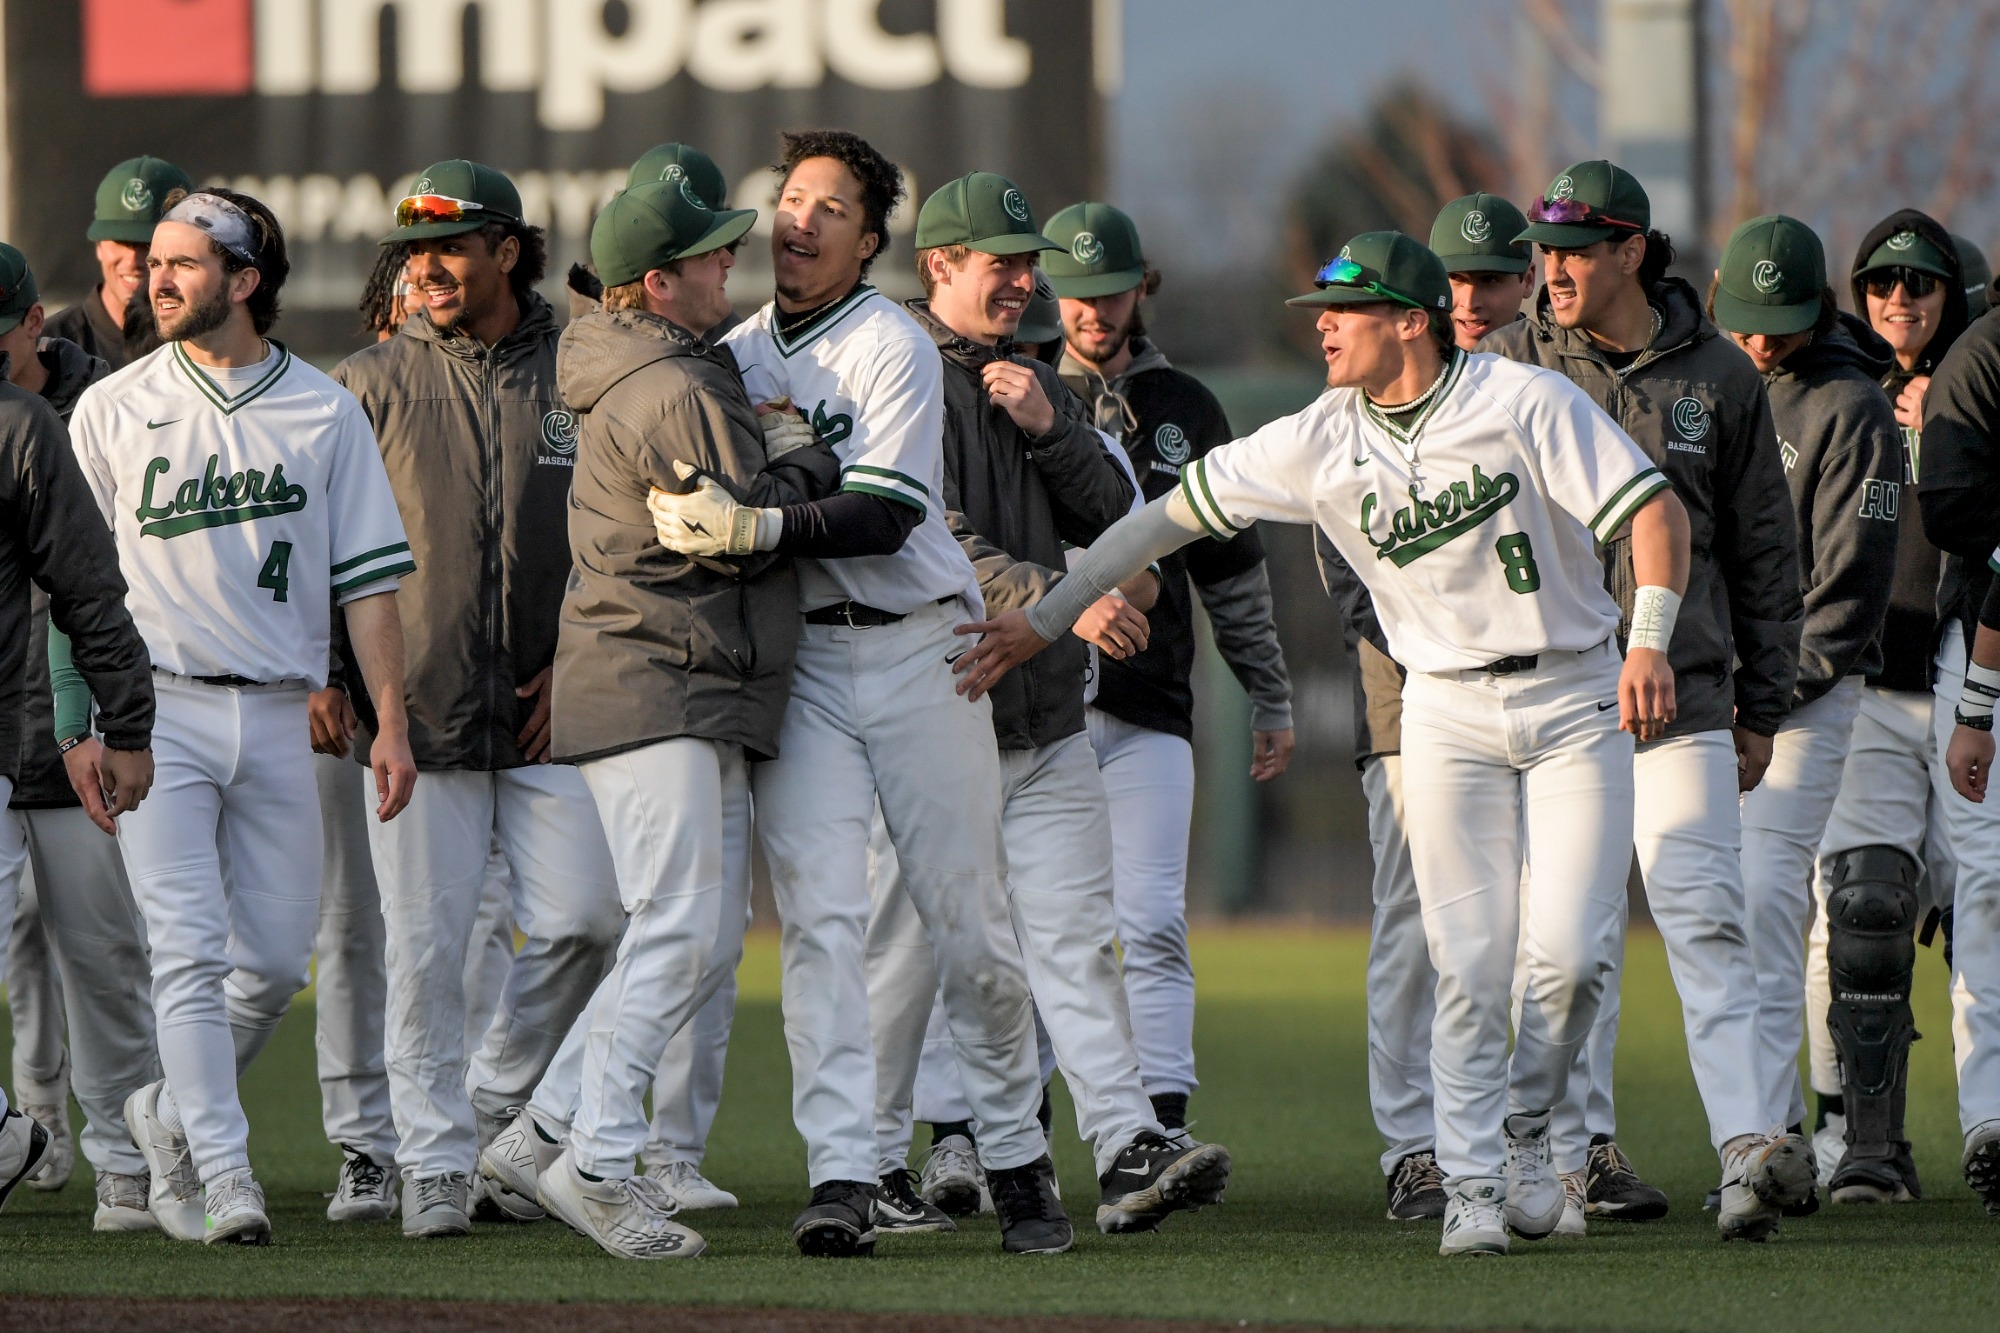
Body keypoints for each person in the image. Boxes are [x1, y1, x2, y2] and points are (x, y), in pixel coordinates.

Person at [955, 229, 1692, 1257]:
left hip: (1572, 692)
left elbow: (1653, 514)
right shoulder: (1315, 434)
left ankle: (1528, 1125)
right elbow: (1157, 523)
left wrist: (1646, 639)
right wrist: (1044, 615)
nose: (1322, 330)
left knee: (1568, 961)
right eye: (1318, 314)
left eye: (1342, 313)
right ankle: (1473, 1180)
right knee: (1470, 965)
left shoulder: (1523, 401)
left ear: (1408, 318)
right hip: (1440, 711)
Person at [646, 129, 1066, 1257]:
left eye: (832, 205)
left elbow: (880, 514)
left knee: (966, 919)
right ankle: (842, 1169)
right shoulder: (730, 356)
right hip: (809, 670)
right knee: (822, 926)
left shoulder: (889, 343)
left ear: (870, 240)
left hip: (922, 650)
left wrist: (764, 515)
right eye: (791, 197)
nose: (802, 216)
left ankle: (1018, 1156)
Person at [859, 174, 1231, 1240]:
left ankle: (1121, 1144)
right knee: (909, 951)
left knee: (1075, 942)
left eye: (1028, 263)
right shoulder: (895, 369)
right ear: (938, 265)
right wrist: (1055, 604)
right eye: (1001, 262)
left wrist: (1050, 424)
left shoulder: (1031, 380)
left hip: (1044, 719)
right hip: (933, 710)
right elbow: (933, 537)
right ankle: (870, 1161)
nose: (1024, 280)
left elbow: (1126, 516)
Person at [476, 179, 840, 1259]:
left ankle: (542, 1130)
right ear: (653, 282)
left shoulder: (664, 366)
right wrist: (808, 452)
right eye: (709, 255)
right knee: (680, 925)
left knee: (694, 930)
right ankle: (595, 1160)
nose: (730, 265)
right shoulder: (669, 380)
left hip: (677, 673)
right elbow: (744, 525)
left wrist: (777, 449)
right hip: (656, 669)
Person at [65, 187, 417, 1245]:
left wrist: (389, 719)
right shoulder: (112, 407)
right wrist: (83, 721)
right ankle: (223, 1172)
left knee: (269, 963)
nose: (155, 278)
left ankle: (167, 1112)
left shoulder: (321, 406)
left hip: (275, 718)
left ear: (246, 280)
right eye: (152, 261)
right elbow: (67, 586)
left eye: (183, 262)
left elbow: (369, 584)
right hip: (154, 711)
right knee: (185, 951)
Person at [1488, 161, 1810, 1237]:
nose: (1550, 269)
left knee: (1705, 919)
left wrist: (1760, 708)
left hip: (1687, 695)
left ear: (1631, 251)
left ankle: (1746, 1150)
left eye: (1574, 249)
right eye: (1542, 249)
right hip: (1555, 702)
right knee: (1562, 949)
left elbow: (1765, 554)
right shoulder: (1506, 363)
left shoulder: (1717, 371)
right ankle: (1568, 1154)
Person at [330, 160, 625, 1238]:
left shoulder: (582, 364)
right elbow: (327, 553)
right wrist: (339, 683)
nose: (428, 267)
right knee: (425, 949)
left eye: (450, 245)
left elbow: (621, 535)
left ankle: (491, 1110)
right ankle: (436, 1165)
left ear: (507, 249)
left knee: (590, 920)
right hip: (420, 714)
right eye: (414, 250)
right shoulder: (364, 380)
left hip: (558, 709)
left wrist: (584, 656)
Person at [1041, 199, 1294, 1138]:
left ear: (1140, 285)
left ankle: (1163, 1125)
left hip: (1152, 705)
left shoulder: (1186, 405)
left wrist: (1267, 690)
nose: (1093, 312)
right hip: (1039, 711)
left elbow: (1232, 570)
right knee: (1042, 929)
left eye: (1109, 291)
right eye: (1074, 293)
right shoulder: (1019, 387)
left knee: (1149, 919)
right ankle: (1007, 1134)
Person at [1314, 191, 1539, 1224]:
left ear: (1526, 277)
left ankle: (1558, 1141)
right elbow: (1353, 570)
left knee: (1548, 922)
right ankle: (1413, 1143)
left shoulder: (1543, 382)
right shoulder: (1351, 411)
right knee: (1416, 918)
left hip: (1541, 689)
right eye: (1456, 278)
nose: (1474, 295)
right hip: (1407, 691)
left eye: (1493, 276)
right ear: (1425, 298)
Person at [1706, 216, 1901, 1211]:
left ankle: (1768, 1145)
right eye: (1745, 320)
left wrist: (1758, 694)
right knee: (1713, 913)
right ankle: (1752, 1138)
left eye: (1777, 325)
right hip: (1711, 693)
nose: (1758, 341)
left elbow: (1847, 596)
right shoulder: (1705, 382)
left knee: (1764, 899)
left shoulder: (1850, 408)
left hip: (1805, 698)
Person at [1805, 208, 1974, 1201]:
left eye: (1917, 285)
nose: (1898, 301)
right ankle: (1860, 1142)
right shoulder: (1834, 390)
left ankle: (1985, 1124)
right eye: (1879, 284)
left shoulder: (1982, 387)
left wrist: (1950, 429)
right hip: (1868, 679)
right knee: (1860, 906)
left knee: (1981, 911)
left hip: (1969, 682)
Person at [0, 243, 163, 1227]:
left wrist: (114, 716)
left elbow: (98, 590)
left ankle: (125, 1164)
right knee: (17, 949)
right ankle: (35, 1122)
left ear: (35, 322)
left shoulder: (106, 408)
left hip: (63, 730)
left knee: (101, 953)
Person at [1911, 245, 2000, 1216]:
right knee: (1982, 883)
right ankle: (1986, 1118)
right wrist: (1974, 706)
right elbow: (1948, 507)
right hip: (1981, 654)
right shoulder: (1984, 355)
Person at [46, 156, 188, 371]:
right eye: (120, 241)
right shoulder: (48, 347)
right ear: (99, 246)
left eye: (147, 244)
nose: (133, 261)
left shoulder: (204, 343)